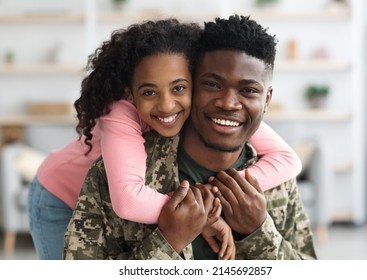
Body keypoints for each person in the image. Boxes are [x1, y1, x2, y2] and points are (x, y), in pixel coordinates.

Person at [28, 18, 302, 260]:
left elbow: (288, 160)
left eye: (179, 87)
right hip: (60, 194)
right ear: (132, 92)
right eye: (149, 92)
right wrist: (204, 216)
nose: (167, 105)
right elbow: (129, 201)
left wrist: (220, 194)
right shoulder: (121, 112)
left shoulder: (214, 107)